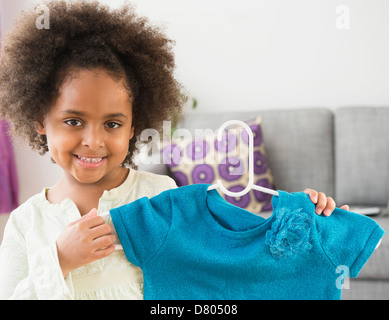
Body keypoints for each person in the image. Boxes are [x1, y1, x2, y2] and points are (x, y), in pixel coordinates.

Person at [0, 0, 348, 300]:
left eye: (113, 124)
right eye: (73, 121)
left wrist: (309, 225)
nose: (94, 141)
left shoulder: (160, 196)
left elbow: (233, 258)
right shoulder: (25, 224)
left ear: (135, 126)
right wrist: (59, 259)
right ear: (40, 120)